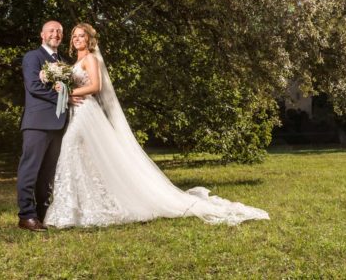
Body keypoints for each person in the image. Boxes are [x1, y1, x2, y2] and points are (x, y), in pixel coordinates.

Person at [44, 23, 269, 228]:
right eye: (74, 36)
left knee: (70, 148)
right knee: (84, 157)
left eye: (81, 36)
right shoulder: (74, 62)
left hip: (87, 113)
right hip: (77, 111)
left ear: (89, 39)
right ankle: (80, 208)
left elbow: (95, 86)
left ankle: (71, 210)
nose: (77, 39)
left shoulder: (91, 59)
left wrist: (68, 91)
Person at [16, 20, 83, 232]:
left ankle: (43, 213)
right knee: (30, 170)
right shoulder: (32, 57)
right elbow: (34, 87)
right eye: (51, 31)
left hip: (59, 125)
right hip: (37, 123)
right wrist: (65, 98)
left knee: (48, 173)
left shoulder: (64, 61)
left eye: (59, 31)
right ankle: (26, 216)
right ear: (42, 35)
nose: (55, 34)